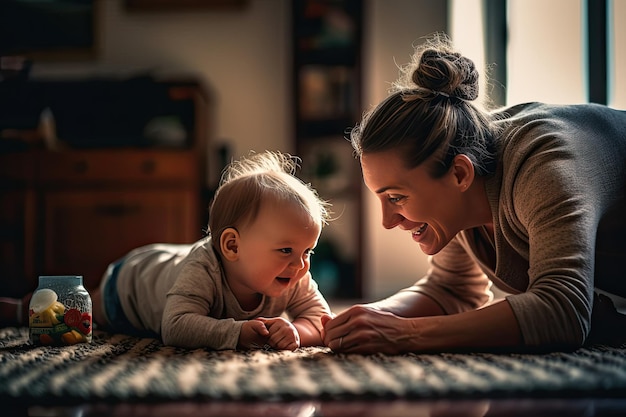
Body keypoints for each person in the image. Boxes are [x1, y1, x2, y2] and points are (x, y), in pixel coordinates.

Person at [322, 33, 626, 354]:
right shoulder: (460, 165)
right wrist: (351, 323)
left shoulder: (543, 166)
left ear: (460, 173)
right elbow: (450, 289)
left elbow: (562, 311)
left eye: (396, 197)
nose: (387, 221)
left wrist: (405, 334)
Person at [2, 151, 333, 351]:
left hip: (169, 261)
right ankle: (21, 309)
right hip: (133, 283)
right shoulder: (203, 269)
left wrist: (296, 334)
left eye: (308, 252)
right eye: (287, 249)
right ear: (232, 246)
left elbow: (321, 321)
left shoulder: (293, 273)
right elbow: (175, 327)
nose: (301, 265)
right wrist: (235, 333)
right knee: (84, 316)